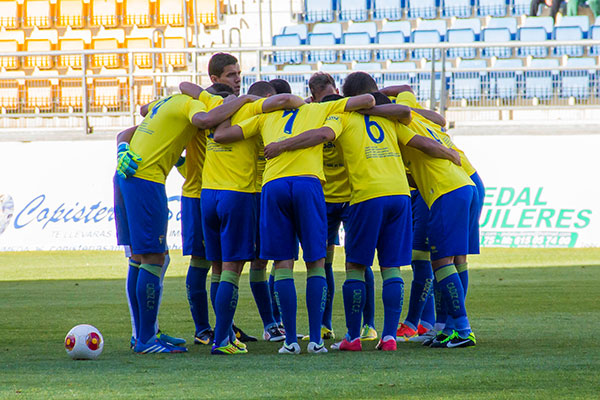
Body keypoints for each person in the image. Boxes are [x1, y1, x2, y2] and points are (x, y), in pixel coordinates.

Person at [263, 72, 462, 352]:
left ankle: (353, 337)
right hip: (400, 195)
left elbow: (323, 135)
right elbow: (419, 141)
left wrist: (282, 145)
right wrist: (448, 153)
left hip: (366, 196)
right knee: (391, 267)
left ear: (347, 96)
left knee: (355, 266)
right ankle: (390, 337)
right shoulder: (387, 119)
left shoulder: (343, 116)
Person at [213, 87, 376, 354]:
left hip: (274, 185)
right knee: (316, 262)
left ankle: (289, 341)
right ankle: (314, 339)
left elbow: (221, 135)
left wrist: (233, 104)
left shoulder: (265, 116)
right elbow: (367, 99)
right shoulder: (322, 109)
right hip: (308, 184)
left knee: (282, 263)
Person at [113, 90, 256, 354]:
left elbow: (135, 121)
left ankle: (145, 333)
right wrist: (243, 100)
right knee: (153, 258)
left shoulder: (167, 103)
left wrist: (122, 147)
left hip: (127, 173)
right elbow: (204, 120)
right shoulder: (190, 105)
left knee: (142, 258)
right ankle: (146, 340)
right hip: (146, 178)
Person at [199, 81, 304, 354]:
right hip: (237, 194)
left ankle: (224, 334)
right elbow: (283, 102)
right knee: (232, 270)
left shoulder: (214, 110)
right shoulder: (251, 108)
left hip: (208, 193)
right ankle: (222, 340)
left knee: (218, 269)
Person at [393, 90, 479, 348]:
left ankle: (463, 329)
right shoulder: (423, 120)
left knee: (441, 260)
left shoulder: (400, 126)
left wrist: (446, 152)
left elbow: (424, 145)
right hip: (464, 185)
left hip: (445, 190)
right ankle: (450, 327)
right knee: (455, 259)